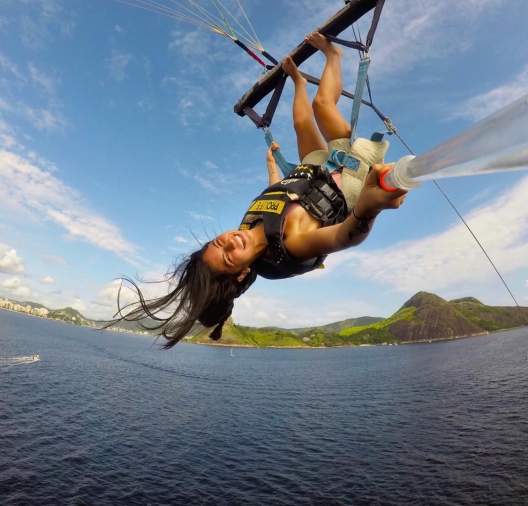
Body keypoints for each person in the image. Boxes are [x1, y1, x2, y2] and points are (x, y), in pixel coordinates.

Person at [115, 33, 406, 347]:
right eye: (230, 257)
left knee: (301, 121)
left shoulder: (250, 224)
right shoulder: (290, 245)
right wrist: (370, 207)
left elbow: (277, 200)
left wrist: (271, 167)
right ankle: (334, 56)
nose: (231, 242)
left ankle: (299, 82)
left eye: (219, 242)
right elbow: (341, 237)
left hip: (315, 169)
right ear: (241, 274)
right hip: (351, 175)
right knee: (322, 105)